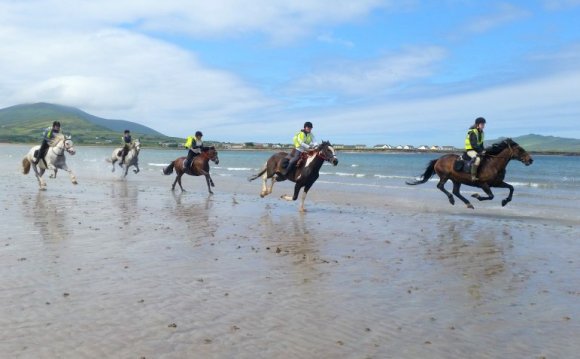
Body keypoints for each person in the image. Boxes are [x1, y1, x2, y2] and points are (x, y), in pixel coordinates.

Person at [465, 117, 486, 181]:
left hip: (477, 150)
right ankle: (473, 176)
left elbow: (481, 144)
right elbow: (474, 145)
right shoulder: (473, 132)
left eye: (484, 124)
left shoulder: (482, 133)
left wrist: (484, 150)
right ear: (477, 125)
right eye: (482, 124)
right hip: (470, 150)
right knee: (477, 159)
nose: (483, 126)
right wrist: (481, 151)